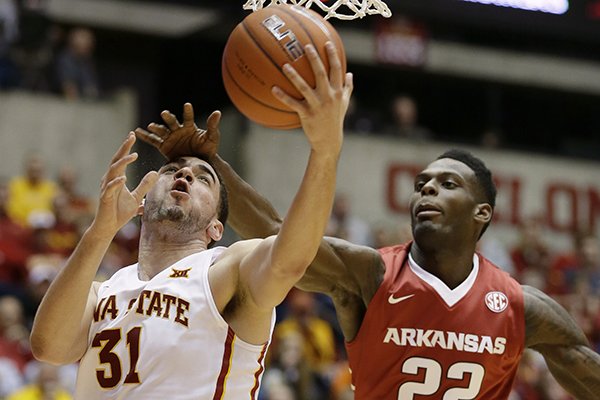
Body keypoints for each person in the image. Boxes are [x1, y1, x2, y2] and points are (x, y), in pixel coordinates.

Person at [140, 113, 600, 398]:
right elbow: (281, 234)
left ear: (483, 213)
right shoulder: (371, 275)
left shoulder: (521, 306)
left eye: (447, 184)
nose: (427, 190)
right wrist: (211, 164)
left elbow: (585, 373)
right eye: (421, 185)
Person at [30, 41, 352, 399]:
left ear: (217, 227)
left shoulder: (224, 269)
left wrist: (325, 151)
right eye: (171, 169)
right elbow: (48, 347)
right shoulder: (101, 290)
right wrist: (100, 232)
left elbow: (291, 259)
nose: (183, 175)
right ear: (142, 201)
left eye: (203, 178)